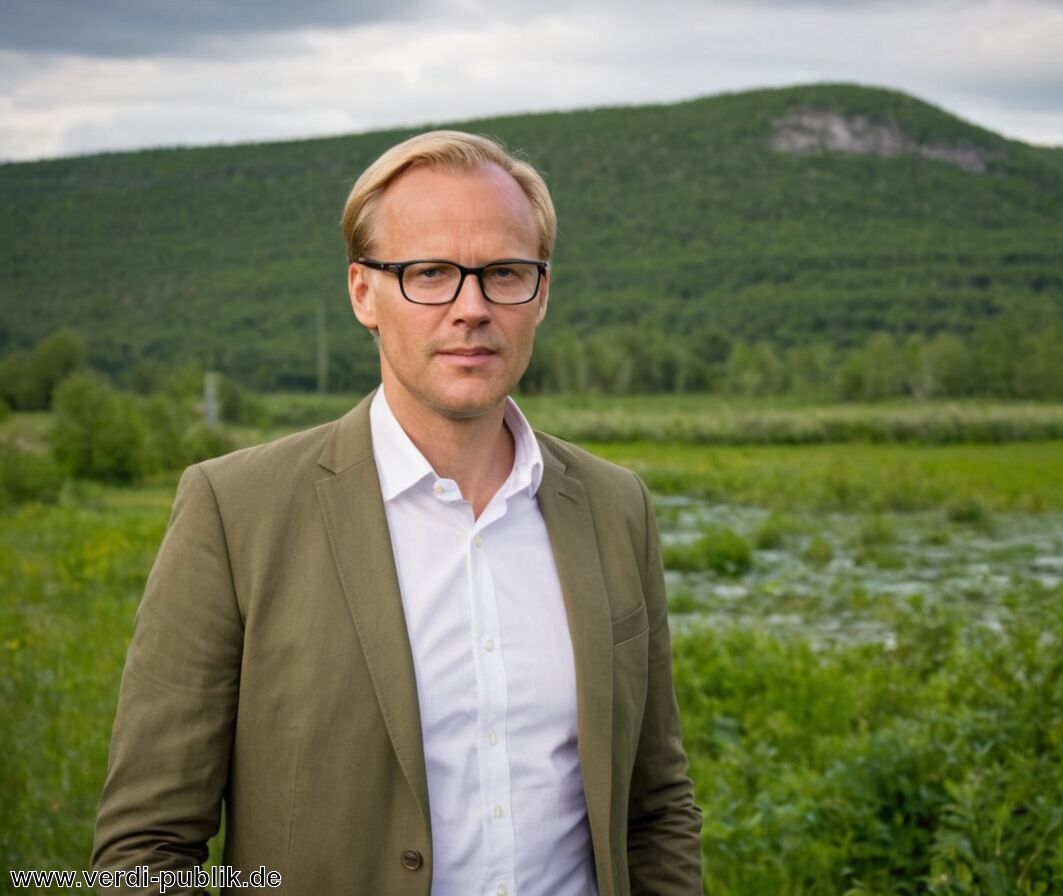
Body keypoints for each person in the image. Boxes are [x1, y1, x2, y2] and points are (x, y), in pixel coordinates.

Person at [92, 130, 702, 895]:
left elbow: (656, 808)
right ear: (363, 293)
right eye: (430, 273)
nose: (472, 308)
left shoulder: (617, 507)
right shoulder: (235, 511)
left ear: (541, 293)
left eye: (504, 273)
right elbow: (146, 849)